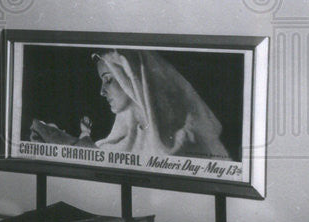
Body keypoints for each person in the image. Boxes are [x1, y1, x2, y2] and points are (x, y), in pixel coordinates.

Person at [91, 50, 229, 158]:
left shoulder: (183, 140)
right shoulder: (109, 145)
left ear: (129, 78)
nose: (102, 92)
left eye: (108, 79)